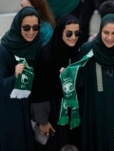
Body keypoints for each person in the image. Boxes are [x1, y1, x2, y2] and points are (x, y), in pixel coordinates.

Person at [76, 14, 114, 151]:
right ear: (100, 32)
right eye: (106, 33)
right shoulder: (88, 50)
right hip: (94, 111)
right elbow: (78, 81)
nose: (110, 38)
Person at [29, 14, 81, 151]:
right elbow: (39, 90)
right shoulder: (48, 55)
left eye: (77, 33)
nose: (73, 37)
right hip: (53, 112)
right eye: (69, 33)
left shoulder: (75, 51)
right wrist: (43, 121)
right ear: (60, 32)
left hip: (71, 110)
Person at [0, 6, 43, 151]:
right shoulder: (4, 49)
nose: (31, 32)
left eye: (35, 27)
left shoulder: (38, 45)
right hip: (11, 113)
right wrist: (14, 77)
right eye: (26, 27)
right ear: (18, 26)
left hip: (32, 109)